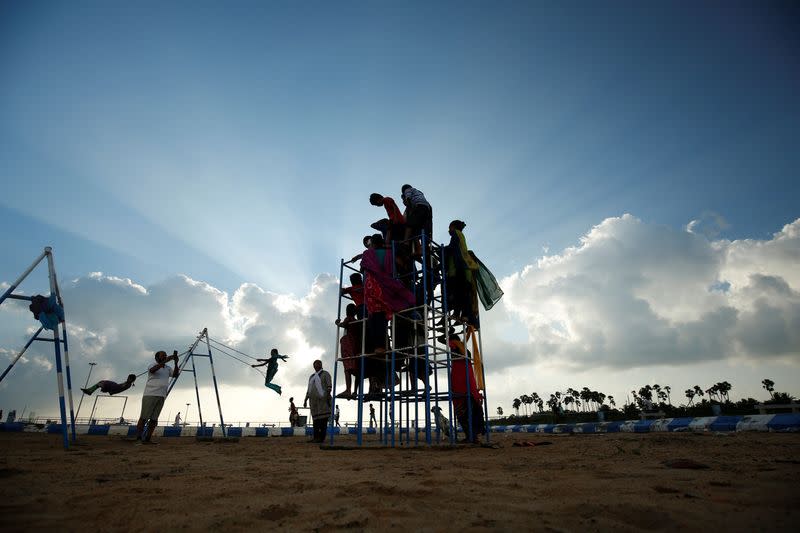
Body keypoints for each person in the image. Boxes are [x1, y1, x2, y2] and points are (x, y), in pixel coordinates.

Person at [134, 350, 180, 444]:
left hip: (161, 395)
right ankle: (138, 438)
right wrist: (166, 360)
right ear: (157, 358)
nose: (165, 357)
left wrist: (176, 363)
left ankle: (148, 439)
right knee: (143, 417)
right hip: (150, 394)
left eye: (165, 356)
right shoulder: (152, 365)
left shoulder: (167, 368)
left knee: (154, 419)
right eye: (163, 356)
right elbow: (152, 370)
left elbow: (175, 375)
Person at [448, 334, 485, 444]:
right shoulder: (464, 348)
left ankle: (471, 436)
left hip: (460, 384)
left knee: (463, 415)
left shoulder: (454, 345)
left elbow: (443, 341)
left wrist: (447, 333)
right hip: (469, 383)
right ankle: (475, 437)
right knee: (473, 413)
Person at [444, 220, 480, 329]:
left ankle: (457, 314)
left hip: (460, 269)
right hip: (465, 270)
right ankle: (464, 316)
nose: (448, 231)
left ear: (453, 227)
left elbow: (452, 246)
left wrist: (443, 249)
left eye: (449, 228)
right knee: (464, 295)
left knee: (458, 293)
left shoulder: (456, 234)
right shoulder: (462, 237)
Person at [335, 303, 362, 399]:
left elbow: (344, 324)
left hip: (348, 344)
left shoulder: (349, 318)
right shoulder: (357, 321)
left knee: (347, 368)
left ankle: (348, 389)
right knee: (354, 368)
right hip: (354, 345)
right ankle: (352, 390)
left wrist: (338, 323)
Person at [303, 360, 332, 443]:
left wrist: (326, 397)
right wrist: (305, 400)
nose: (316, 366)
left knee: (323, 421)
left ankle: (321, 438)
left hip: (323, 401)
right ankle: (316, 437)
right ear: (313, 366)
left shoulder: (326, 374)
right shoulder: (311, 376)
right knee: (315, 421)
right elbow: (309, 389)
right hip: (313, 402)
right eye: (315, 365)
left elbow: (329, 387)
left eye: (318, 364)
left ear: (321, 365)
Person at [400, 184, 432, 258]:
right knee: (415, 231)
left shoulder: (408, 190)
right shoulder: (419, 193)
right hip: (425, 210)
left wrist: (408, 204)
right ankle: (419, 250)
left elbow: (408, 197)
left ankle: (406, 242)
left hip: (420, 207)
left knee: (409, 225)